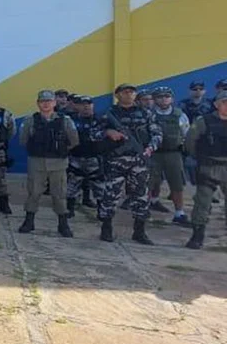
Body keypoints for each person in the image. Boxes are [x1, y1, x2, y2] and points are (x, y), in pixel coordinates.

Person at [94, 84, 162, 244]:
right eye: (125, 92)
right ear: (117, 95)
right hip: (116, 160)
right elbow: (94, 133)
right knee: (110, 195)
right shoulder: (108, 114)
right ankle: (106, 228)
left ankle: (139, 231)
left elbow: (157, 134)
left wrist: (150, 148)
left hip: (139, 160)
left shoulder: (146, 113)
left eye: (132, 92)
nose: (129, 94)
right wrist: (108, 132)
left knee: (141, 196)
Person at [184, 90, 227, 252]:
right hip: (209, 166)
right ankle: (197, 235)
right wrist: (200, 160)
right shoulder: (203, 122)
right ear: (216, 105)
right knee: (203, 202)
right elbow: (190, 143)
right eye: (225, 102)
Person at [17, 91, 80, 237]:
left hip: (58, 163)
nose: (45, 104)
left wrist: (59, 150)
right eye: (42, 101)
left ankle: (63, 224)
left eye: (49, 101)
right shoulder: (30, 121)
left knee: (59, 194)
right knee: (33, 193)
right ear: (38, 103)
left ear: (54, 103)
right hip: (37, 163)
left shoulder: (65, 120)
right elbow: (23, 140)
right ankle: (29, 221)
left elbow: (74, 141)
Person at [147, 87, 190, 224]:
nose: (164, 99)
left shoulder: (180, 115)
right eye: (160, 96)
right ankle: (145, 210)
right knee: (149, 183)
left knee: (177, 183)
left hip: (173, 153)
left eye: (167, 96)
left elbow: (186, 134)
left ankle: (179, 213)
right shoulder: (148, 115)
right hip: (153, 154)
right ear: (154, 99)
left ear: (172, 98)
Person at [66, 96, 102, 217]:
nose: (86, 106)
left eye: (88, 104)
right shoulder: (71, 120)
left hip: (95, 159)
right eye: (83, 104)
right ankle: (69, 210)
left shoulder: (101, 120)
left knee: (99, 187)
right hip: (76, 158)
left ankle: (101, 212)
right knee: (72, 186)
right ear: (78, 106)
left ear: (93, 105)